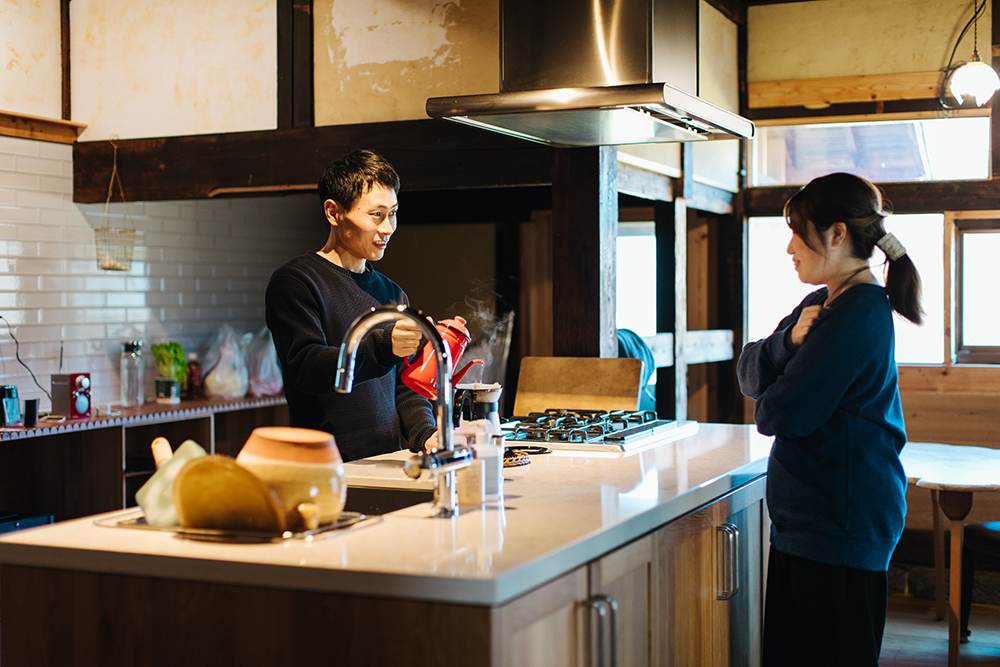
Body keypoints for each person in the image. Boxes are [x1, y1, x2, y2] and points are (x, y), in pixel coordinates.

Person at [736, 173, 923, 666]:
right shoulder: (822, 303)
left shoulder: (858, 313)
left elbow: (780, 413)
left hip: (840, 523)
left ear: (837, 234)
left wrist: (775, 377)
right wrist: (787, 343)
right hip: (813, 523)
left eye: (798, 231)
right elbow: (747, 371)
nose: (789, 247)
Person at [265, 149, 438, 462]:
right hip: (326, 465)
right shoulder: (296, 282)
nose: (388, 228)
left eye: (393, 213)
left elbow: (407, 385)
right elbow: (306, 366)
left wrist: (426, 434)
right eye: (376, 215)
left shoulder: (392, 293)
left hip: (386, 460)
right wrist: (384, 346)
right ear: (333, 212)